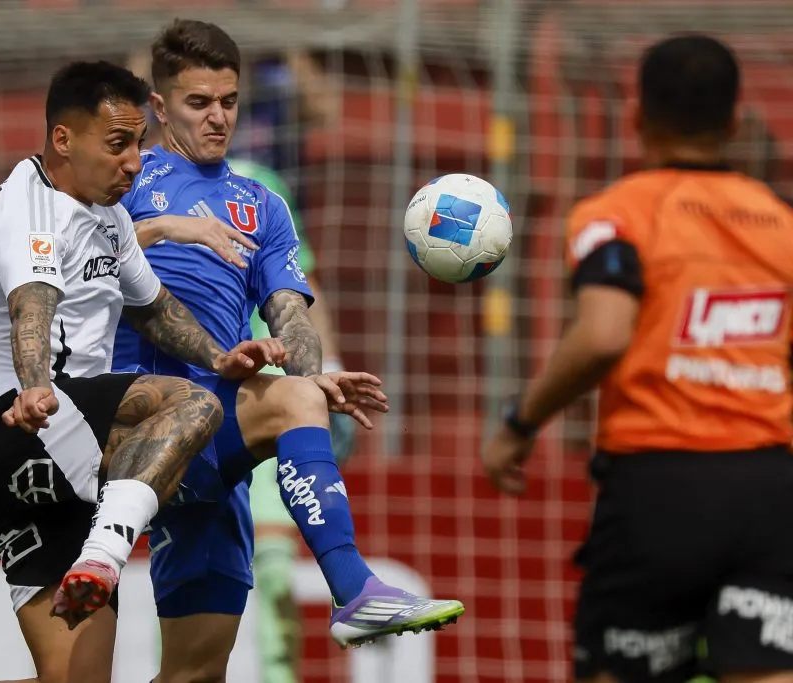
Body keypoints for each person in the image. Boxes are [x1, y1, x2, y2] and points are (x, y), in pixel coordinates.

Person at [112, 19, 464, 682]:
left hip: (211, 440)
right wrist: (161, 229)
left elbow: (289, 309)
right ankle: (354, 588)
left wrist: (316, 374)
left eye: (229, 101)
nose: (218, 118)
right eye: (198, 103)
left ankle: (352, 588)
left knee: (193, 673)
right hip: (128, 420)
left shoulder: (262, 202)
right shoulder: (121, 181)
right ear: (158, 107)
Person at [0, 60, 284, 683]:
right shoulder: (31, 208)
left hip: (26, 453)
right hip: (19, 418)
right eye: (118, 144)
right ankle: (106, 551)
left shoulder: (109, 215)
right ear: (64, 139)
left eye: (138, 145)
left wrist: (218, 355)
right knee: (194, 408)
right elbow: (31, 306)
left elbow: (152, 307)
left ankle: (96, 549)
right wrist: (36, 386)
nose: (133, 162)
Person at [480, 34, 793, 683]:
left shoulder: (617, 213)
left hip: (661, 487)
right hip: (770, 488)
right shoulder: (781, 219)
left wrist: (520, 422)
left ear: (637, 116)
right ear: (735, 120)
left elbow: (601, 335)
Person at [230, 156, 357, 683]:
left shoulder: (262, 182)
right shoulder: (141, 180)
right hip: (197, 398)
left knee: (276, 570)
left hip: (272, 400)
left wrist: (327, 367)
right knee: (195, 569)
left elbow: (302, 286)